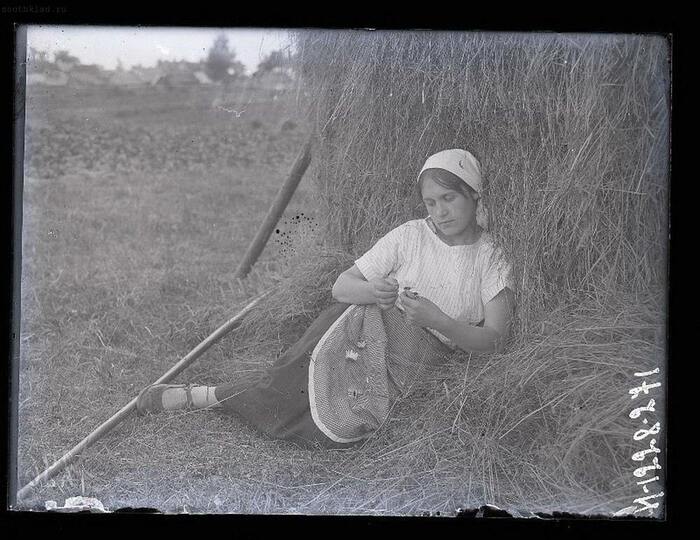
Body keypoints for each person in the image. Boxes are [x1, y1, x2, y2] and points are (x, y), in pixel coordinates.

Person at [136, 148, 514, 449]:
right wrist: (374, 290)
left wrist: (440, 321)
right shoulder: (411, 235)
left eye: (449, 198)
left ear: (474, 194)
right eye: (431, 202)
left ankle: (214, 396)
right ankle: (209, 396)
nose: (440, 212)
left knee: (316, 408)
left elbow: (496, 340)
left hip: (417, 364)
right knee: (313, 359)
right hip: (366, 334)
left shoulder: (491, 256)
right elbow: (342, 286)